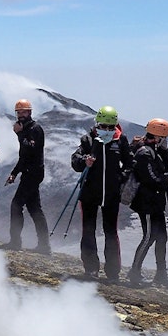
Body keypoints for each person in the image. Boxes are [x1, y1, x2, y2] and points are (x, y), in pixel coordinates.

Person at [70, 106, 132, 281]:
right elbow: (75, 161)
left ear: (115, 126)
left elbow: (129, 163)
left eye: (110, 127)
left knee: (111, 232)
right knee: (88, 230)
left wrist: (121, 178)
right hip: (89, 192)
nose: (106, 130)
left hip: (111, 194)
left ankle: (113, 272)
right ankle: (91, 269)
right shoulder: (88, 139)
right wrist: (84, 161)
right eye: (103, 126)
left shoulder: (121, 141)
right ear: (97, 123)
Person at [127, 118, 168, 287]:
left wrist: (165, 151)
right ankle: (134, 272)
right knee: (149, 236)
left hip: (154, 201)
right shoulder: (144, 153)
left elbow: (167, 167)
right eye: (164, 138)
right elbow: (151, 178)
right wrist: (165, 181)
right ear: (158, 137)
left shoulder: (154, 150)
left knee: (162, 237)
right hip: (146, 202)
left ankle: (161, 275)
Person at [4, 99, 50, 253]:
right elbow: (23, 157)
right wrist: (14, 173)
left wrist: (19, 134)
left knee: (16, 205)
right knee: (34, 208)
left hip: (33, 173)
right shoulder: (26, 128)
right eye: (18, 112)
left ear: (29, 112)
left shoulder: (35, 129)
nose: (20, 115)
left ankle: (15, 242)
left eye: (23, 112)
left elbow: (31, 148)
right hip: (30, 173)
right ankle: (44, 246)